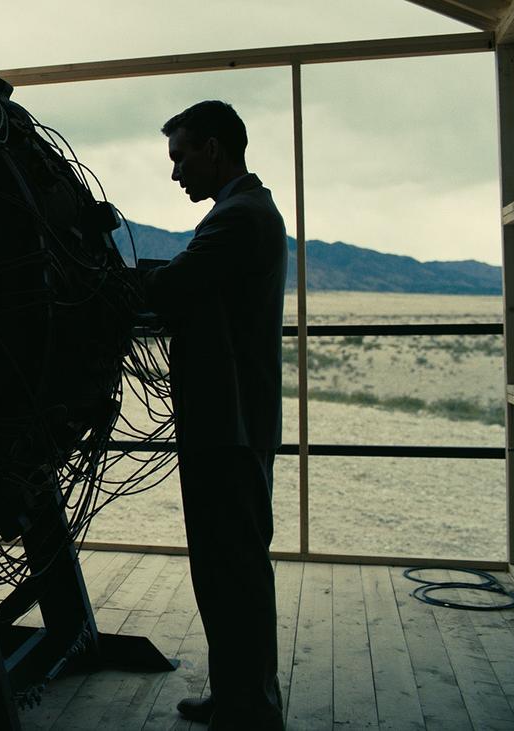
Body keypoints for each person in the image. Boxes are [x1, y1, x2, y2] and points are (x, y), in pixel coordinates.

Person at [142, 100, 286, 729]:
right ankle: (240, 697)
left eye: (181, 157)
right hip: (234, 422)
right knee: (233, 567)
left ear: (215, 149)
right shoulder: (248, 213)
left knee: (232, 571)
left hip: (225, 425)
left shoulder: (238, 218)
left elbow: (174, 287)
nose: (176, 174)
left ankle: (248, 708)